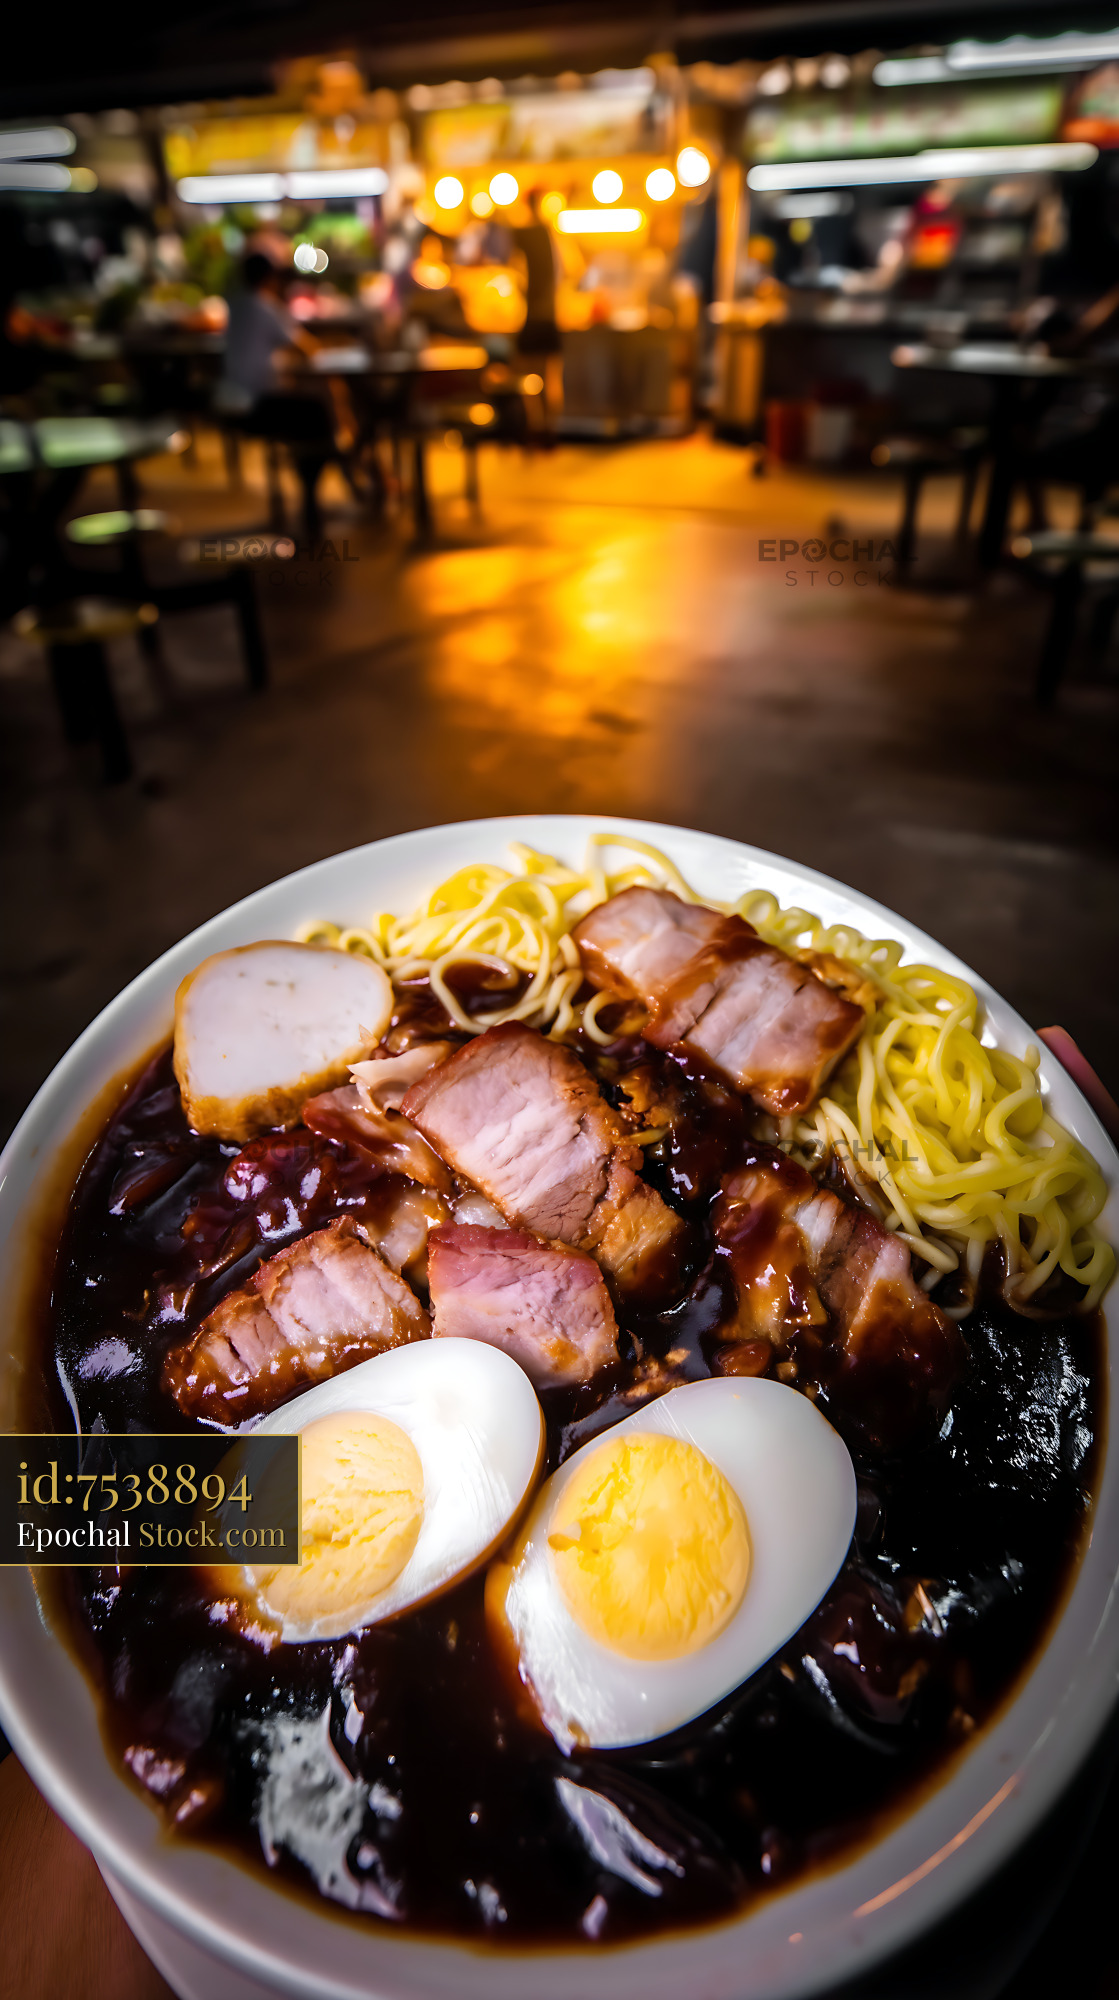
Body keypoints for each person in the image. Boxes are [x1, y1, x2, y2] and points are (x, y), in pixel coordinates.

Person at [216, 253, 336, 539]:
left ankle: (312, 489)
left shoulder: (235, 305)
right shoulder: (264, 306)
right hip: (259, 403)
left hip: (234, 402)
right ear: (270, 278)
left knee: (312, 414)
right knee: (318, 415)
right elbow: (304, 345)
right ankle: (311, 496)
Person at [512, 189, 562, 429]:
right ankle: (547, 427)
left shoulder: (530, 233)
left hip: (533, 317)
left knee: (528, 377)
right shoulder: (549, 234)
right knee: (548, 378)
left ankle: (535, 427)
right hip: (548, 315)